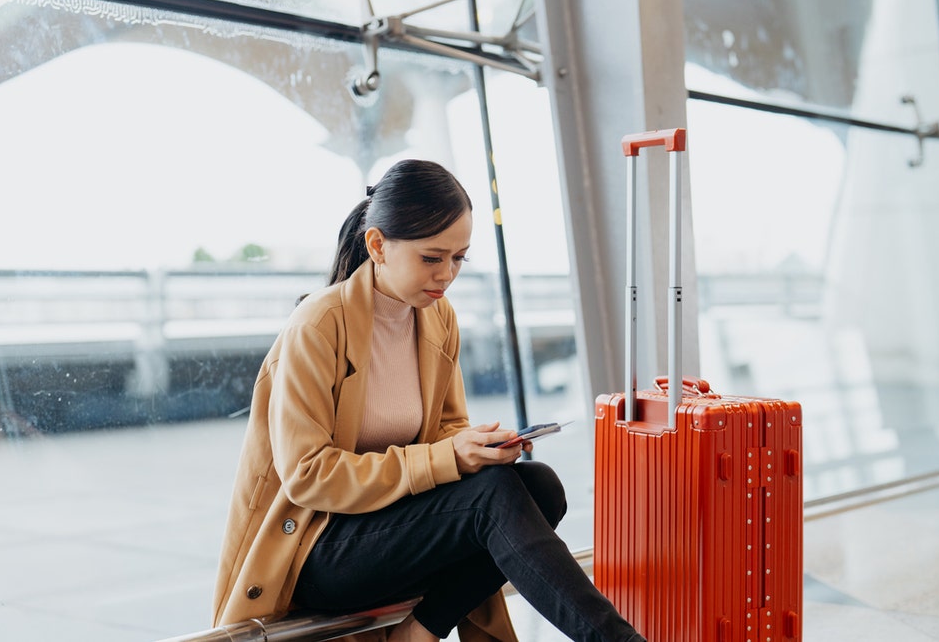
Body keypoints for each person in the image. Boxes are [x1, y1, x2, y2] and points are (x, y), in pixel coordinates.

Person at [212, 159, 645, 642]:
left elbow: (444, 432)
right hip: (320, 550)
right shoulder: (318, 324)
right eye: (431, 258)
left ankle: (420, 629)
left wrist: (476, 449)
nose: (447, 275)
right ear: (378, 245)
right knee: (495, 497)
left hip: (394, 532)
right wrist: (447, 457)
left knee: (539, 484)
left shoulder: (438, 319)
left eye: (459, 258)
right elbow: (308, 475)